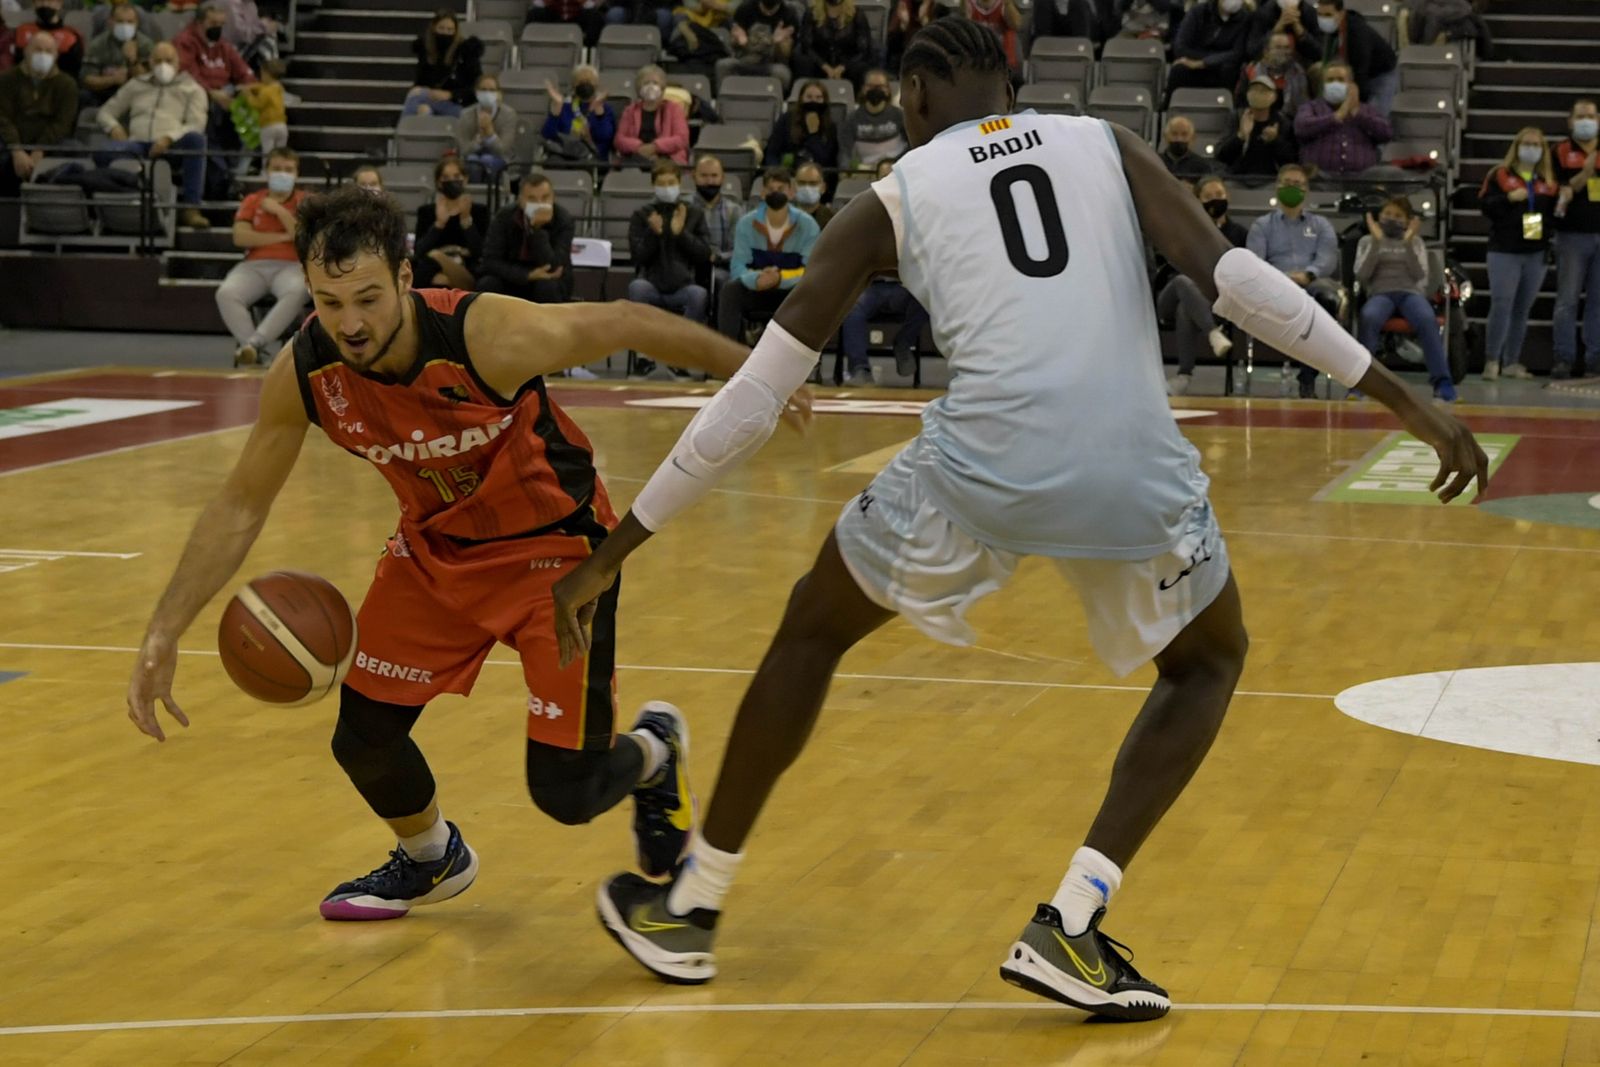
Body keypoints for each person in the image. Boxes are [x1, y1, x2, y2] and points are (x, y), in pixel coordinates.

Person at [553, 18, 1485, 1018]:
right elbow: (1235, 282)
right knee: (1209, 660)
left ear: (912, 95)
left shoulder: (887, 199)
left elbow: (748, 403)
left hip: (977, 467)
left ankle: (691, 904)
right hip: (1132, 460)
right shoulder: (1101, 142)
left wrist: (615, 552)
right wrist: (1403, 399)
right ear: (1014, 84)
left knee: (811, 630)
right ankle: (1072, 921)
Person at [124, 182, 811, 926]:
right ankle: (432, 857)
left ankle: (654, 751)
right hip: (435, 552)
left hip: (557, 555)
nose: (349, 324)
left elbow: (628, 320)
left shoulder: (489, 336)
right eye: (328, 302)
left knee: (566, 791)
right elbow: (240, 504)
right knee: (364, 738)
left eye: (366, 298)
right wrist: (164, 629)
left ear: (404, 278)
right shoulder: (307, 373)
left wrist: (761, 376)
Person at [1247, 163, 1344, 398]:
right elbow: (1255, 262)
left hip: (1313, 284)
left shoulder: (1321, 225)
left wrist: (1308, 274)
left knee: (1324, 299)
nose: (1292, 188)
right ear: (1277, 187)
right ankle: (1308, 376)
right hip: (1275, 288)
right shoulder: (1262, 226)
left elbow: (1328, 258)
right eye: (1287, 183)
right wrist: (1283, 278)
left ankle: (1307, 377)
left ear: (1306, 190)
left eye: (1297, 184)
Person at [95, 41, 210, 228]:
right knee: (103, 152)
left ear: (178, 62)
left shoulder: (192, 89)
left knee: (196, 140)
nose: (163, 65)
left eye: (168, 60)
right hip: (136, 145)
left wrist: (169, 137)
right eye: (158, 61)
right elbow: (105, 113)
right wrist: (114, 127)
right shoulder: (136, 85)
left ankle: (191, 209)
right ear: (150, 62)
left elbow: (196, 124)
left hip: (171, 147)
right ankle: (117, 204)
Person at [1354, 197, 1454, 402]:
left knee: (1427, 319)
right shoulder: (1366, 241)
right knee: (1369, 316)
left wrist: (1408, 244)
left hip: (1410, 293)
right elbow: (1362, 275)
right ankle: (1360, 384)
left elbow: (1420, 276)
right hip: (1380, 293)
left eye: (1398, 216)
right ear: (1378, 216)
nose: (1391, 219)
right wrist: (1376, 243)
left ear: (1408, 221)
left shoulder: (1416, 242)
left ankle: (1442, 383)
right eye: (1387, 214)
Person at [215, 146, 307, 365]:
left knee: (299, 290)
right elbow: (240, 237)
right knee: (226, 293)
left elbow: (302, 236)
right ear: (266, 172)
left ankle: (254, 344)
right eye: (276, 168)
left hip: (292, 265)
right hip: (253, 266)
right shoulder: (252, 200)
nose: (282, 174)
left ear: (296, 174)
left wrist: (279, 211)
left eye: (288, 169)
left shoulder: (305, 201)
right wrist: (283, 237)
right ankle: (252, 350)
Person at [1478, 128, 1557, 382]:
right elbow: (1485, 206)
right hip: (1504, 249)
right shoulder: (1499, 175)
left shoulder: (1547, 181)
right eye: (1527, 143)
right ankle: (1492, 359)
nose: (1531, 148)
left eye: (1537, 144)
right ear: (1517, 146)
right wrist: (1508, 198)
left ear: (1543, 150)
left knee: (1522, 308)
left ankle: (1512, 360)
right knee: (1502, 304)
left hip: (1535, 252)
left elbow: (1554, 214)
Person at [839, 158, 925, 385]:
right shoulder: (863, 212)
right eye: (884, 176)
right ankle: (860, 368)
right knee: (852, 308)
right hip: (873, 284)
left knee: (930, 297)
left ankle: (903, 343)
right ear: (876, 180)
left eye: (894, 175)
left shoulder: (917, 213)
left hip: (904, 286)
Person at [1161, 176, 1247, 396]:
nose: (1215, 200)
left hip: (1211, 300)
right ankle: (1213, 333)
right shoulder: (1183, 229)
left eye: (1219, 195)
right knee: (1182, 281)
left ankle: (1184, 376)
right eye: (1208, 197)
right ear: (1197, 201)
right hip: (1169, 296)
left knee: (1185, 309)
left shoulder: (1238, 233)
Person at [716, 165, 819, 339]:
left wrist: (780, 278)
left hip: (792, 294)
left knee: (814, 292)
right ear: (763, 193)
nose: (775, 193)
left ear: (791, 192)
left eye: (780, 189)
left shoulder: (808, 225)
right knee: (730, 290)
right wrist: (756, 279)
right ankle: (730, 356)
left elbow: (809, 271)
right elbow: (737, 267)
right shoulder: (746, 223)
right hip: (758, 289)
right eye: (770, 189)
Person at [175, 2, 254, 194]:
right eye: (213, 23)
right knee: (210, 111)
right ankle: (223, 174)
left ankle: (240, 165)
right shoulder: (185, 41)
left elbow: (244, 72)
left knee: (253, 105)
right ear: (199, 22)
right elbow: (187, 74)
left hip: (225, 97)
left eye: (221, 23)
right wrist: (211, 92)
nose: (217, 28)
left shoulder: (224, 46)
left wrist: (247, 87)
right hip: (195, 98)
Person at [628, 158, 712, 327]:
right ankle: (645, 349)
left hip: (684, 286)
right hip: (651, 285)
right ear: (654, 186)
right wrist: (654, 233)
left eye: (671, 182)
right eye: (661, 183)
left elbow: (704, 255)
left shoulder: (694, 213)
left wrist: (681, 234)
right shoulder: (642, 214)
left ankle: (683, 345)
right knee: (637, 288)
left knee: (699, 295)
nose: (667, 188)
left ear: (679, 183)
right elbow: (637, 257)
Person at [1551, 99, 1600, 380]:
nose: (1586, 120)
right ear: (1571, 121)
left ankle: (1594, 360)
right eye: (1581, 116)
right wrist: (1585, 173)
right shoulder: (1560, 151)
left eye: (1591, 116)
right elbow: (1558, 190)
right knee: (1567, 300)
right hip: (1571, 236)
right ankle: (1563, 358)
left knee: (1598, 302)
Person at [477, 171, 577, 304]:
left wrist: (537, 230)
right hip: (512, 277)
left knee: (547, 286)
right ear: (520, 200)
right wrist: (527, 275)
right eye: (532, 199)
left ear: (553, 198)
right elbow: (490, 261)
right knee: (488, 284)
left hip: (547, 279)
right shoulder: (504, 217)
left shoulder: (564, 220)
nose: (539, 204)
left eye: (545, 197)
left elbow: (553, 266)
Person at [0, 32, 74, 196]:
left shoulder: (67, 84)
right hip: (13, 141)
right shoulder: (7, 79)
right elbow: (3, 118)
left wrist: (40, 149)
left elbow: (63, 123)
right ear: (26, 51)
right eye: (37, 49)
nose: (43, 55)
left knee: (74, 150)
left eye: (48, 51)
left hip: (50, 143)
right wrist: (17, 150)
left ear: (56, 55)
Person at [1293, 61, 1389, 176]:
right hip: (1320, 177)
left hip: (1361, 178)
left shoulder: (1367, 110)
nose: (1335, 83)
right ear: (1322, 85)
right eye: (1330, 80)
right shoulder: (1310, 107)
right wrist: (1336, 117)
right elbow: (1301, 128)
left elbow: (1386, 134)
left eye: (1340, 80)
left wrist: (1357, 114)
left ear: (1351, 84)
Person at [414, 155, 491, 290]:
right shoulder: (426, 212)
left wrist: (466, 221)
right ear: (438, 182)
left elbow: (480, 252)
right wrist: (439, 224)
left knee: (435, 256)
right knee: (425, 266)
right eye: (446, 177)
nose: (452, 181)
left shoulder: (479, 211)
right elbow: (419, 251)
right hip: (432, 270)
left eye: (456, 176)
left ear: (465, 179)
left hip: (466, 270)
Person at [1313, 0, 1397, 119]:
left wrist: (1356, 105)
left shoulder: (1357, 33)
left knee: (1375, 117)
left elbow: (1360, 71)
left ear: (1341, 14)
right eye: (1319, 14)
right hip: (1353, 70)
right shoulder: (1332, 29)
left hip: (1381, 73)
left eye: (1328, 15)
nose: (1322, 19)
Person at [402, 9, 482, 118]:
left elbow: (476, 87)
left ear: (456, 31)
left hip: (460, 104)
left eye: (450, 30)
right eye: (441, 28)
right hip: (433, 100)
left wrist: (450, 95)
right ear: (434, 28)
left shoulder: (466, 52)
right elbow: (421, 81)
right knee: (424, 110)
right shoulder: (426, 51)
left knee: (415, 96)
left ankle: (403, 133)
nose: (445, 33)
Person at [1168, 0, 1251, 102]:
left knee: (1230, 70)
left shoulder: (1245, 18)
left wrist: (1204, 62)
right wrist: (1206, 59)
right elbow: (1180, 47)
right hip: (1193, 62)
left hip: (1221, 68)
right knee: (1179, 69)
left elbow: (1237, 53)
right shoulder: (1198, 12)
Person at [1217, 73, 1297, 177]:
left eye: (1264, 91)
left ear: (1274, 96)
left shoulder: (1282, 122)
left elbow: (1291, 161)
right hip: (1237, 179)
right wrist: (1240, 136)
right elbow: (1222, 157)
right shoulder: (1237, 117)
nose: (1258, 93)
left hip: (1270, 180)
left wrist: (1275, 140)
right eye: (1254, 90)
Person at [80, 2, 155, 106]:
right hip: (105, 94)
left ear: (136, 23)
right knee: (85, 95)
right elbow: (87, 79)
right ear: (110, 22)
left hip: (137, 95)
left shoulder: (146, 44)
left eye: (130, 22)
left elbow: (150, 81)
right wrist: (113, 80)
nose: (125, 26)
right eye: (120, 21)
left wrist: (133, 60)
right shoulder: (97, 44)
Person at [615, 64, 690, 166]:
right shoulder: (630, 110)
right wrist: (639, 148)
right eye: (646, 83)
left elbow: (682, 139)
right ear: (639, 88)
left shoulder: (674, 109)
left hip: (668, 160)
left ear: (662, 87)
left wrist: (655, 147)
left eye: (655, 83)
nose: (651, 87)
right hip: (636, 159)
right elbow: (619, 139)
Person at [717, 0, 798, 93]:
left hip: (770, 63)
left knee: (782, 74)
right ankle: (725, 103)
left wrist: (777, 43)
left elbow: (785, 55)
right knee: (723, 65)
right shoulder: (745, 8)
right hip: (744, 59)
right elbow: (734, 41)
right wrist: (738, 41)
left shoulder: (789, 14)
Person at [540, 64, 615, 164]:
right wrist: (555, 111)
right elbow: (547, 134)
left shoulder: (604, 108)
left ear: (596, 85)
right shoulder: (565, 107)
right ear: (574, 86)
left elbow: (606, 137)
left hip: (593, 157)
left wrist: (598, 112)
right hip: (565, 155)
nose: (585, 85)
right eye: (580, 82)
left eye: (588, 81)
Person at [763, 78, 839, 174]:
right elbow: (772, 153)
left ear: (825, 101)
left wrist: (813, 134)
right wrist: (778, 174)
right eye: (809, 97)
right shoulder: (786, 119)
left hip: (817, 177)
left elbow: (825, 161)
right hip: (787, 174)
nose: (813, 101)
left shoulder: (831, 127)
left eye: (818, 98)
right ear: (801, 99)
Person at [794, 0, 872, 90]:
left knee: (860, 67)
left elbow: (864, 50)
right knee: (803, 62)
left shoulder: (857, 14)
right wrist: (825, 67)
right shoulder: (811, 13)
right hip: (819, 63)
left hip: (848, 64)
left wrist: (842, 67)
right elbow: (806, 46)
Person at [692, 152, 742, 287]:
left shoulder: (734, 210)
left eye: (714, 176)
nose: (709, 181)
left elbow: (738, 249)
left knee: (724, 281)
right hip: (688, 267)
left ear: (722, 178)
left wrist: (717, 257)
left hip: (721, 267)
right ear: (694, 176)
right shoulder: (683, 207)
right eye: (704, 176)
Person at [455, 73, 517, 181]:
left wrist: (490, 134)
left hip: (500, 158)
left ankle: (491, 195)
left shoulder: (509, 114)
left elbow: (504, 150)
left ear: (498, 93)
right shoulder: (465, 114)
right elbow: (463, 150)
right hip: (472, 156)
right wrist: (479, 140)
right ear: (476, 92)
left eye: (492, 90)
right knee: (472, 160)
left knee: (487, 160)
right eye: (483, 89)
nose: (487, 93)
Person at [840, 68, 906, 168]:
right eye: (871, 86)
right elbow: (845, 153)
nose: (875, 90)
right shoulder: (852, 118)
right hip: (864, 171)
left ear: (888, 90)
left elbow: (911, 146)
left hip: (896, 168)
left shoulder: (899, 115)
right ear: (863, 90)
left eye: (880, 86)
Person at [1235, 30, 1308, 118]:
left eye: (1287, 47)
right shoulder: (1250, 71)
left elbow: (1304, 106)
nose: (1285, 52)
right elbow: (1240, 102)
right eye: (1278, 47)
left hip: (1290, 122)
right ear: (1266, 51)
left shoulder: (1298, 72)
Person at [11, 0, 83, 80]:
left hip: (58, 85)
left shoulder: (71, 36)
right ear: (34, 4)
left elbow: (73, 72)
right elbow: (14, 64)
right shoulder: (22, 31)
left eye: (50, 1)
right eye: (40, 1)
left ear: (59, 4)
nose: (45, 4)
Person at [236, 56, 287, 164]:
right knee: (281, 152)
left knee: (267, 153)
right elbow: (261, 86)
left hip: (268, 126)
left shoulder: (266, 92)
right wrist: (250, 87)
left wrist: (248, 94)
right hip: (282, 125)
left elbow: (257, 104)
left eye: (262, 74)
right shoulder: (278, 87)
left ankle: (266, 172)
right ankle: (280, 168)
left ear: (267, 74)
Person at [1245, 0, 1320, 69]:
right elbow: (1252, 52)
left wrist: (1299, 29)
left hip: (1302, 65)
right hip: (1269, 64)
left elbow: (1319, 53)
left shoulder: (1309, 12)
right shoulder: (1264, 12)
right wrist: (1277, 29)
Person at [961, 0, 1020, 75]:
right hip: (979, 59)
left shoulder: (1004, 3)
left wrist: (1008, 5)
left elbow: (1016, 25)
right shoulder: (969, 3)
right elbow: (965, 31)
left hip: (1003, 59)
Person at [525, 0, 608, 49]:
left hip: (577, 16)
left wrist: (583, 1)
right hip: (554, 15)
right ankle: (532, 49)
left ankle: (588, 50)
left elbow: (592, 6)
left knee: (595, 17)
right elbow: (537, 3)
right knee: (534, 13)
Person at [1159, 115, 1213, 182]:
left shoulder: (1202, 166)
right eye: (1174, 134)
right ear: (1166, 137)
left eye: (1184, 134)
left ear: (1192, 139)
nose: (1179, 139)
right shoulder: (1155, 161)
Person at [792, 159, 833, 228]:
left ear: (823, 187)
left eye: (813, 183)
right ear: (793, 186)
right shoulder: (782, 216)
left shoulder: (832, 219)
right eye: (801, 183)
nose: (807, 188)